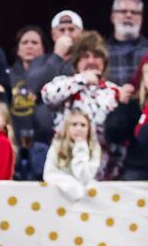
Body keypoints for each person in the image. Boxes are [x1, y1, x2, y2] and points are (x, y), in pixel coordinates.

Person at [40, 31, 120, 178]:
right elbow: (47, 94)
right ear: (76, 62)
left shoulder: (114, 91)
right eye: (85, 56)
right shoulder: (65, 83)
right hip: (64, 167)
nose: (91, 61)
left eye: (96, 56)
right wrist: (82, 79)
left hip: (101, 169)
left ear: (104, 62)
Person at [27, 10, 84, 180]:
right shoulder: (42, 61)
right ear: (53, 34)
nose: (67, 34)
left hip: (77, 141)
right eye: (62, 30)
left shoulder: (84, 61)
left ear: (81, 33)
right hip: (44, 142)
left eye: (71, 30)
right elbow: (33, 85)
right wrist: (57, 56)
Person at [104, 58, 148, 180]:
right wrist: (122, 105)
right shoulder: (133, 104)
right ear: (143, 78)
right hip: (138, 166)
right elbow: (114, 135)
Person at [8, 25, 45, 179]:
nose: (29, 46)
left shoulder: (52, 74)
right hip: (14, 144)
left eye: (35, 43)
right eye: (25, 42)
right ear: (17, 49)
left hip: (42, 145)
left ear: (43, 48)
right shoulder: (7, 76)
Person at [43, 110, 100, 201]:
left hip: (86, 200)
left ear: (88, 129)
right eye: (74, 124)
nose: (79, 128)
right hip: (59, 198)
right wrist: (72, 186)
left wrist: (80, 149)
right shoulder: (56, 146)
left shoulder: (95, 149)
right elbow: (48, 174)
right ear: (67, 128)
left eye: (83, 125)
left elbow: (85, 178)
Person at [106, 0, 148, 88]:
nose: (129, 15)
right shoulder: (102, 50)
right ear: (113, 17)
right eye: (123, 11)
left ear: (141, 18)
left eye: (134, 12)